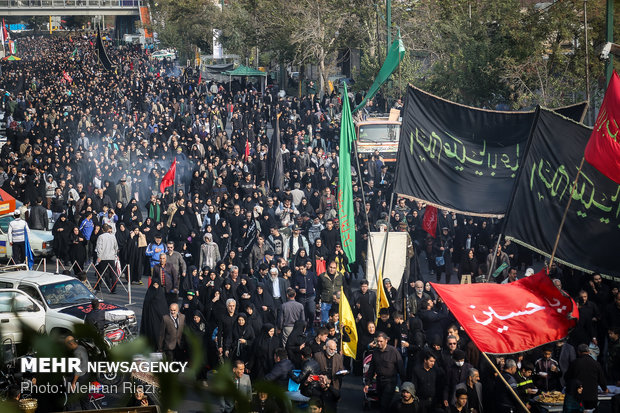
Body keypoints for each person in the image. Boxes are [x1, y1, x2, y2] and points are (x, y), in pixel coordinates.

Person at [365, 332, 405, 413]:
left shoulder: (394, 352)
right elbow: (372, 369)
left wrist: (404, 384)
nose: (379, 343)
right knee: (380, 403)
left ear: (386, 340)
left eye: (381, 341)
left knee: (384, 403)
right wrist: (367, 383)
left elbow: (401, 368)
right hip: (379, 381)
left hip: (390, 381)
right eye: (378, 341)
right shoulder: (375, 352)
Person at [564, 343, 608, 411]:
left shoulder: (574, 363)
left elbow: (567, 377)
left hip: (578, 396)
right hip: (592, 396)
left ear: (578, 352)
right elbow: (601, 379)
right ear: (589, 352)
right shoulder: (596, 363)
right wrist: (605, 388)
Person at [313, 339, 345, 412]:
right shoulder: (318, 356)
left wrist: (342, 373)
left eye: (334, 349)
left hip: (333, 386)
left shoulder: (338, 357)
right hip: (321, 386)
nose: (332, 351)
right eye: (331, 349)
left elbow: (341, 369)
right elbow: (314, 370)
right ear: (326, 347)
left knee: (332, 407)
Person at [65, 335, 90, 410]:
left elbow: (77, 370)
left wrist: (73, 383)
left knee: (70, 400)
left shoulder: (77, 353)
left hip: (79, 378)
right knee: (85, 401)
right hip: (85, 375)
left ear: (71, 344)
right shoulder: (82, 348)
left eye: (67, 346)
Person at [95, 224, 119, 293]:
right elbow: (116, 247)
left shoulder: (101, 237)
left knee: (101, 273)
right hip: (111, 257)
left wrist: (99, 256)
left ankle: (98, 287)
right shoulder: (113, 236)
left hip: (103, 257)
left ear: (102, 230)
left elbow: (99, 248)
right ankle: (113, 288)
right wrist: (115, 254)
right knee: (113, 273)